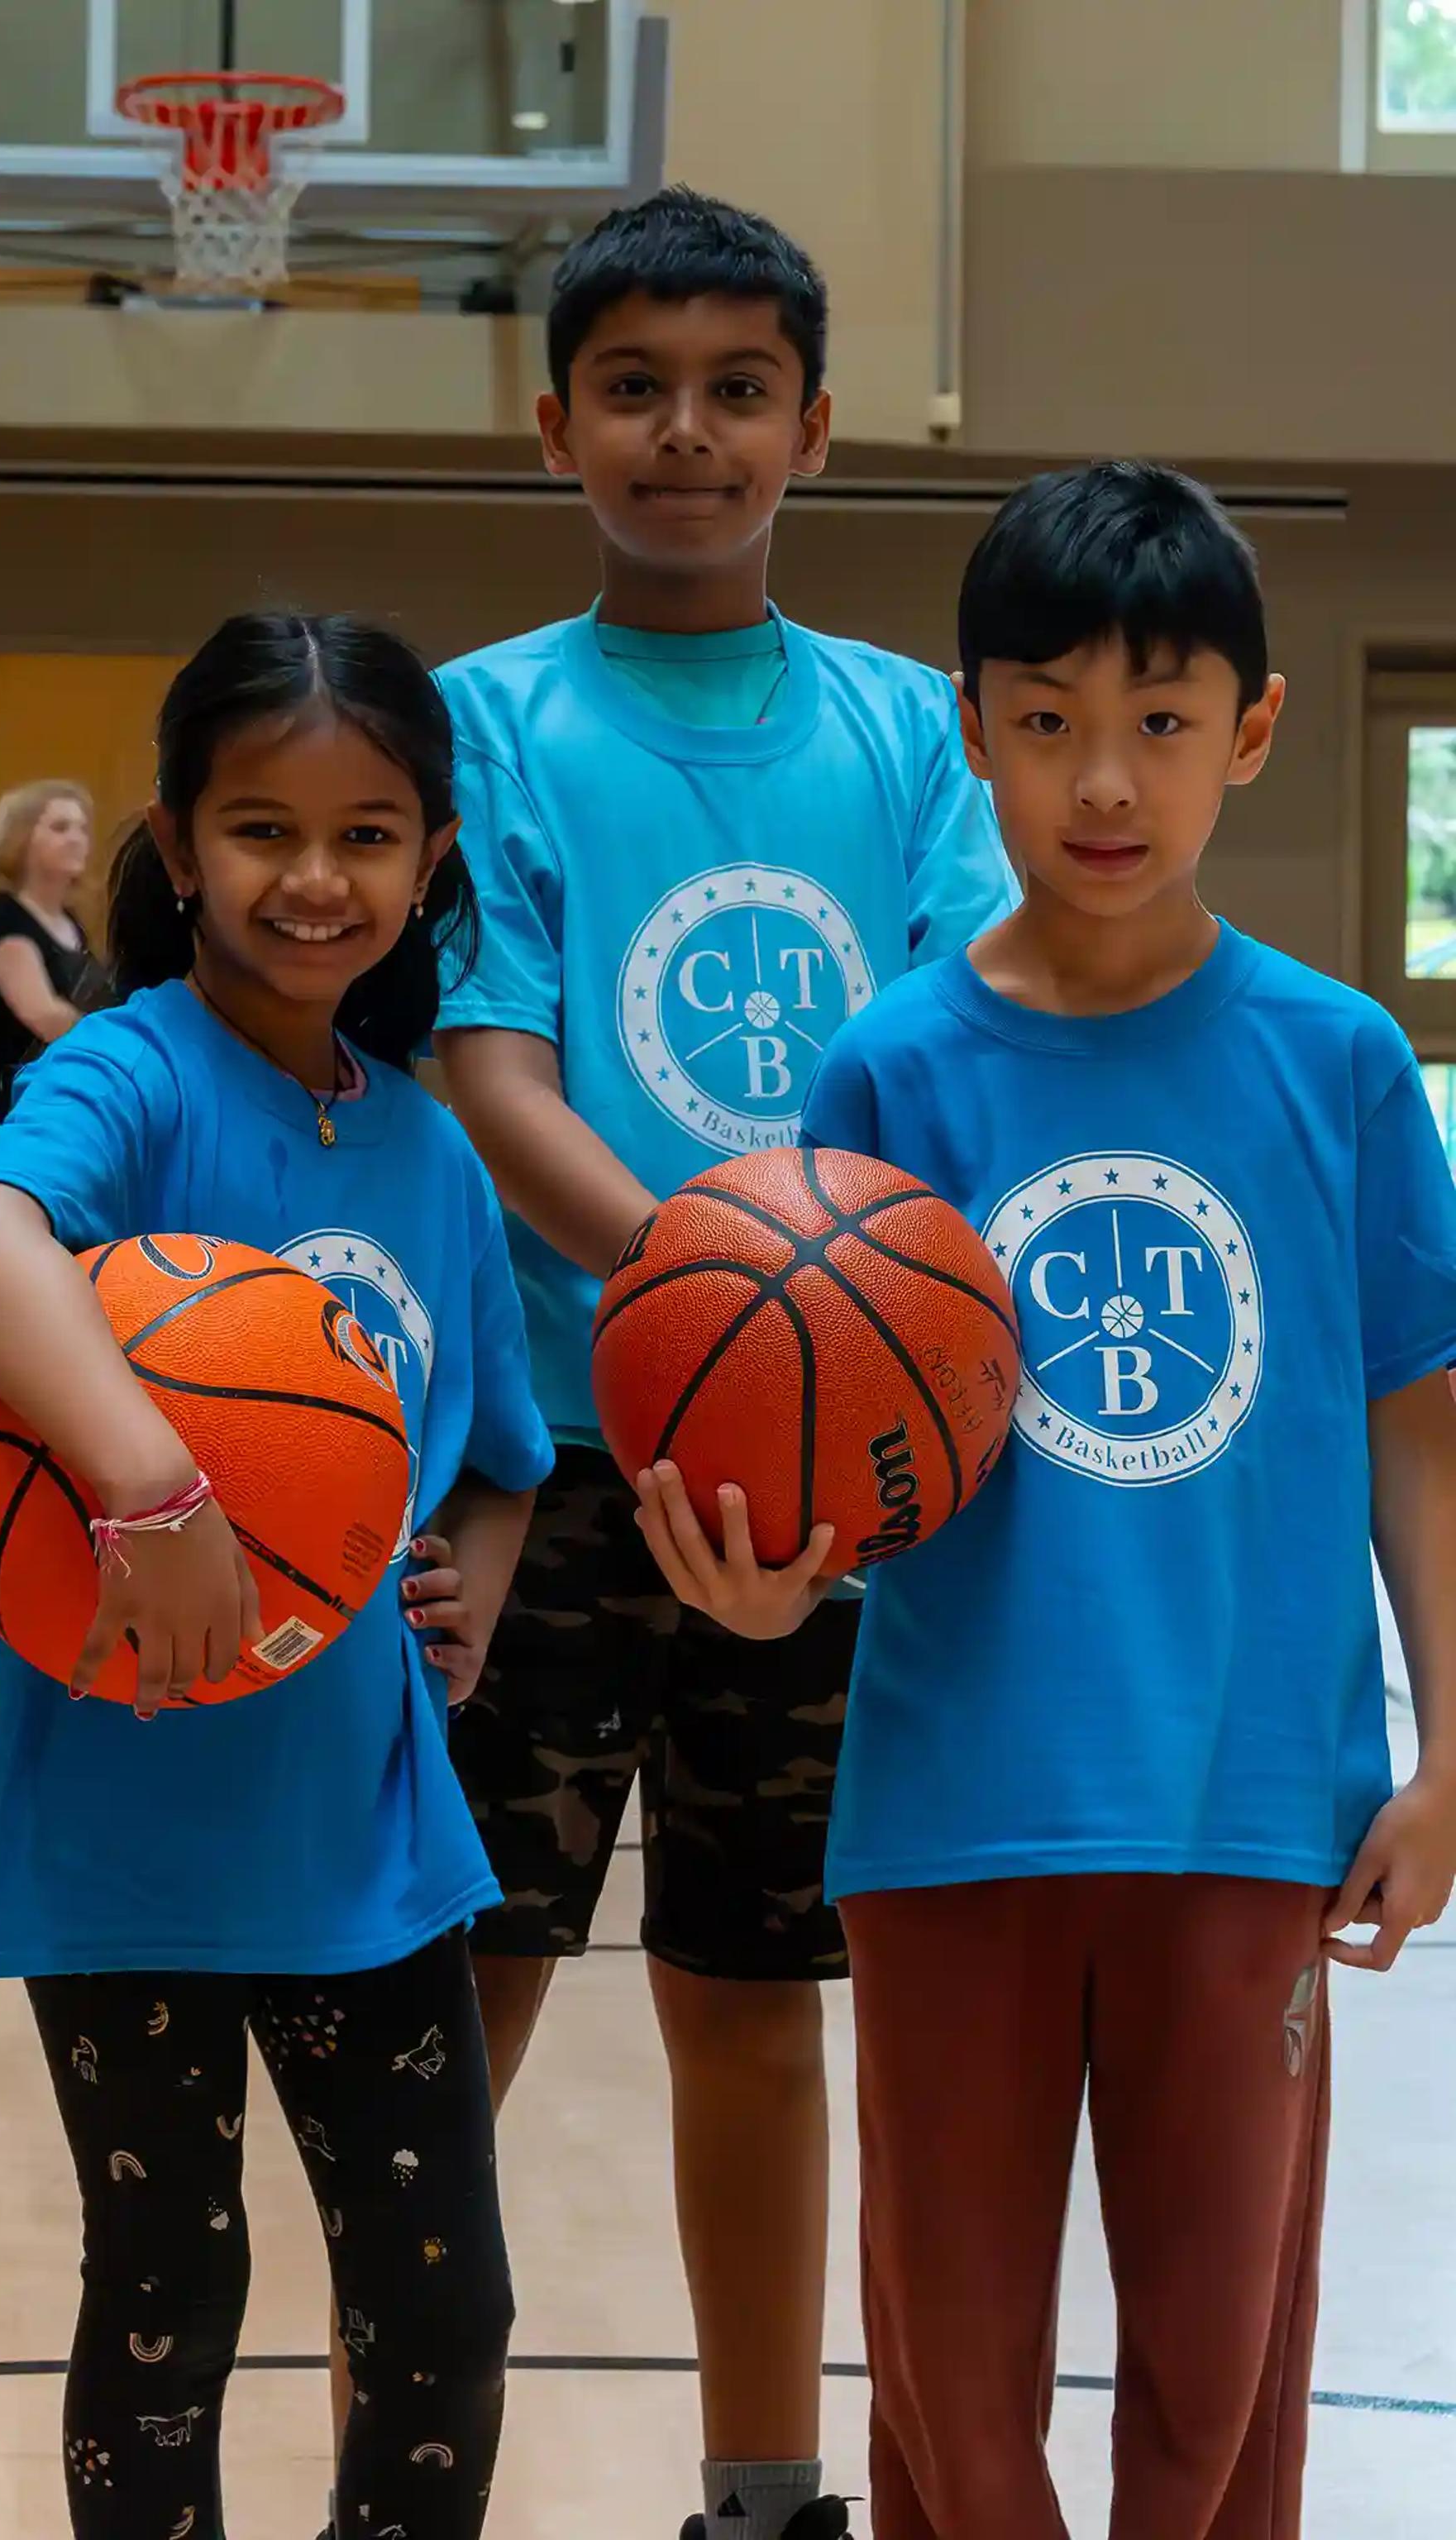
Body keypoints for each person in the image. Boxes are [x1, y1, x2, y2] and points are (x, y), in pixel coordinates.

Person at [639, 460, 1456, 2539]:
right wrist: (761, 1589)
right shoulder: (889, 1067)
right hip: (949, 1809)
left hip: (1244, 1798)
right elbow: (812, 1451)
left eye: (1161, 720)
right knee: (946, 2365)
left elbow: (1414, 1426)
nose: (1103, 777)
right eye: (1044, 720)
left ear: (1250, 732)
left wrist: (1449, 1747)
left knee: (1213, 2383)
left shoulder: (1340, 1058)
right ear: (964, 721)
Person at [429, 188, 1014, 2540]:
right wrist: (732, 1287)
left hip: (829, 1498)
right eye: (639, 386)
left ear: (816, 424)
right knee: (461, 1996)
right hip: (557, 1465)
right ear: (554, 416)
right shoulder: (483, 718)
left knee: (759, 2007)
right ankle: (412, 2465)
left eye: (739, 387)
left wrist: (840, 1341)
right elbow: (493, 1073)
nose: (689, 432)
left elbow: (976, 1067)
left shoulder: (904, 733)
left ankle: (765, 2501)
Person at [0, 614, 551, 2540]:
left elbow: (505, 1456)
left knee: (444, 2306)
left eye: (365, 832)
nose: (312, 876)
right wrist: (150, 1477)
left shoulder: (435, 1153)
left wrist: (464, 1596)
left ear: (428, 857)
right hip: (129, 1831)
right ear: (176, 844)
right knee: (167, 2299)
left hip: (363, 1824)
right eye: (259, 826)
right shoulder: (131, 1077)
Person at [0, 776, 110, 1114]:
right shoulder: (5, 923)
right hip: (19, 1105)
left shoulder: (70, 923)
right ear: (21, 839)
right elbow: (44, 1016)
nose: (77, 839)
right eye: (60, 827)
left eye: (81, 829)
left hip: (63, 1095)